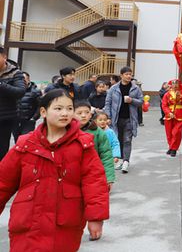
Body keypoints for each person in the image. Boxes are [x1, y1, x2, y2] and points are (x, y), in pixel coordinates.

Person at [0, 89, 109, 250]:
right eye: (58, 109)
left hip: (65, 223)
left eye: (69, 108)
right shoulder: (26, 145)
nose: (65, 113)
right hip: (28, 222)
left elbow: (94, 182)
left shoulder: (83, 145)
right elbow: (3, 182)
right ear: (43, 112)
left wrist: (96, 217)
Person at [104, 67, 144, 172]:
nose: (129, 76)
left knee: (127, 140)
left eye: (130, 74)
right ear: (121, 75)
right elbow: (108, 103)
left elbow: (141, 101)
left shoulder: (136, 88)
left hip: (130, 119)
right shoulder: (114, 88)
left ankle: (126, 161)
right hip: (116, 119)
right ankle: (121, 160)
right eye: (126, 74)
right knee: (118, 140)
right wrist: (108, 117)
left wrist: (132, 100)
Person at [73, 101, 115, 188]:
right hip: (73, 174)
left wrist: (108, 177)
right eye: (79, 113)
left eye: (87, 112)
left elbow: (106, 154)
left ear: (91, 115)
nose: (83, 115)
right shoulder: (67, 131)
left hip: (93, 171)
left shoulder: (98, 132)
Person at [0, 47, 26, 160]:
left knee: (1, 149)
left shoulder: (15, 72)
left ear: (4, 57)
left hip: (5, 118)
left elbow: (20, 92)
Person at [160, 78, 182, 157]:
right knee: (169, 133)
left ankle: (174, 148)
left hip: (179, 115)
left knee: (176, 132)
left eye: (176, 83)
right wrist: (168, 112)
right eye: (173, 83)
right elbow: (164, 105)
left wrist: (181, 97)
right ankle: (171, 147)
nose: (175, 85)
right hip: (169, 115)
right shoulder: (167, 94)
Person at [13, 72, 41, 142]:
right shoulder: (14, 90)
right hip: (15, 121)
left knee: (25, 140)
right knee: (17, 140)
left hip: (28, 121)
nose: (22, 82)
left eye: (24, 80)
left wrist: (34, 118)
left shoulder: (35, 91)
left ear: (28, 80)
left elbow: (40, 106)